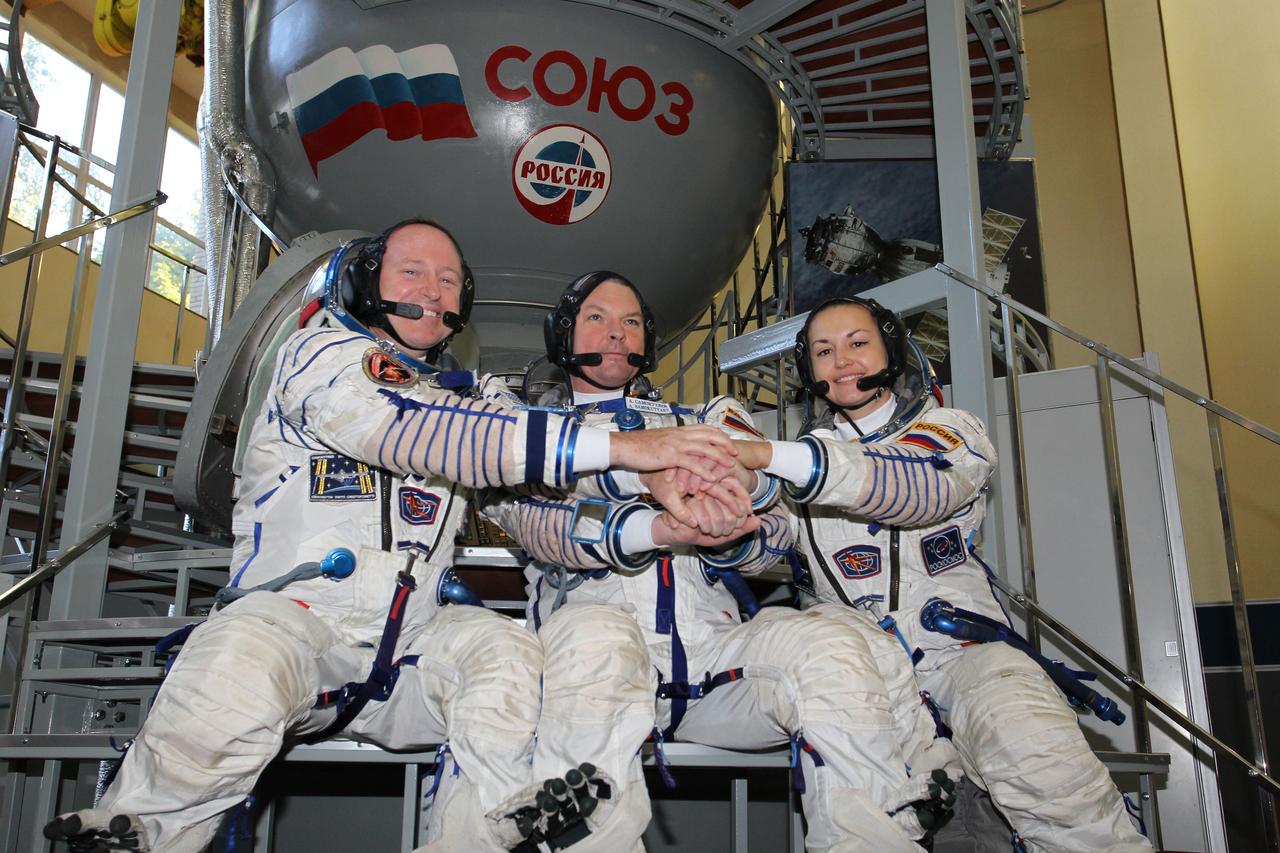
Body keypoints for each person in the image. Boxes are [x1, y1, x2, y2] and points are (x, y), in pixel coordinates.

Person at [43, 223, 741, 853]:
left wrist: (656, 522)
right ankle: (141, 830)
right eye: (412, 271)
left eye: (446, 279)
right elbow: (413, 429)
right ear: (363, 281)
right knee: (237, 657)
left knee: (505, 651)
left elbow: (536, 511)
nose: (431, 289)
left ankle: (487, 829)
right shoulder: (321, 357)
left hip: (412, 645)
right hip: (300, 627)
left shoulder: (477, 400)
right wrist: (624, 447)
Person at [482, 273, 958, 852]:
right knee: (597, 634)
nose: (615, 332)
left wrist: (733, 531)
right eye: (597, 318)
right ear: (563, 333)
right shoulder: (525, 432)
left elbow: (778, 530)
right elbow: (539, 526)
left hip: (710, 669)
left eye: (631, 321)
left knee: (827, 643)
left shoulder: (707, 418)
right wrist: (655, 522)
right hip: (593, 673)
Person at [731, 295, 1153, 852]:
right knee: (863, 825)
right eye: (824, 352)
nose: (843, 361)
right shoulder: (796, 467)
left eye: (858, 343)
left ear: (891, 350)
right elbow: (770, 548)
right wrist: (721, 525)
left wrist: (767, 457)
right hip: (861, 679)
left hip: (963, 658)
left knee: (1041, 758)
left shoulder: (950, 431)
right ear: (811, 371)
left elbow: (917, 491)